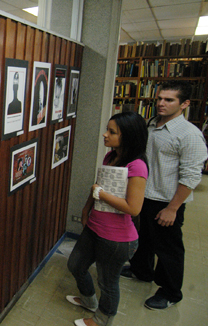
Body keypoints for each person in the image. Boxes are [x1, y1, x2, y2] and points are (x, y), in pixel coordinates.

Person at [121, 81, 207, 310]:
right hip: (144, 195)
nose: (161, 103)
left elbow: (190, 177)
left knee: (168, 248)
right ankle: (141, 270)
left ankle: (170, 292)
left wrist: (173, 208)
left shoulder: (189, 135)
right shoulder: (152, 124)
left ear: (184, 104)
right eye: (159, 98)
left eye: (169, 100)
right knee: (144, 239)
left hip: (166, 201)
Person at [67, 111, 149, 326]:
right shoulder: (110, 157)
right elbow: (97, 187)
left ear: (129, 136)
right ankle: (88, 300)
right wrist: (86, 209)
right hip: (94, 227)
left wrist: (101, 194)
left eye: (112, 132)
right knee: (76, 265)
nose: (105, 135)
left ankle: (102, 320)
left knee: (107, 282)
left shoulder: (137, 166)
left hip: (117, 239)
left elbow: (133, 208)